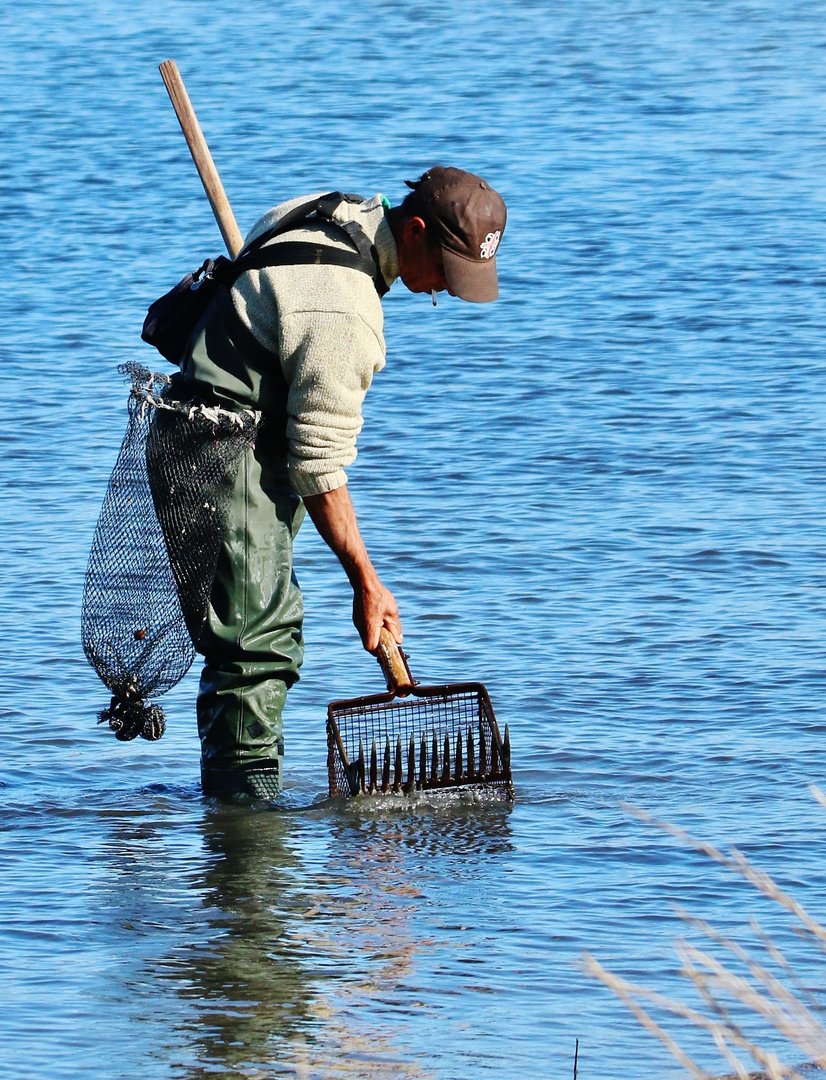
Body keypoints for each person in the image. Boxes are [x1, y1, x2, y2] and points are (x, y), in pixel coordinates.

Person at [175, 165, 507, 800]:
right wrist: (368, 583)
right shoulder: (346, 312)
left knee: (256, 628)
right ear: (414, 231)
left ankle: (235, 815)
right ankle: (248, 840)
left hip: (221, 434)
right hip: (222, 449)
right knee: (256, 647)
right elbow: (319, 466)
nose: (445, 292)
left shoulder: (338, 210)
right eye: (446, 272)